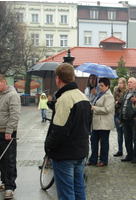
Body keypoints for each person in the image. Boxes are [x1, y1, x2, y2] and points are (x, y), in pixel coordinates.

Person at [45, 63, 92, 200]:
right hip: (80, 151)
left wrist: (48, 145)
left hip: (65, 153)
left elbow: (59, 130)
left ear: (58, 79)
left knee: (66, 193)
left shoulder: (64, 98)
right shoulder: (83, 97)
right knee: (79, 188)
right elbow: (87, 125)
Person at [0, 74, 21, 199]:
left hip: (6, 132)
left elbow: (14, 114)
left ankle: (10, 186)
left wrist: (9, 130)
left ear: (4, 82)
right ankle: (4, 181)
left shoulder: (12, 95)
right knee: (0, 159)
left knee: (9, 159)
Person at [87, 78, 115, 167]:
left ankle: (103, 160)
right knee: (93, 141)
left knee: (104, 142)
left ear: (107, 86)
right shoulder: (100, 94)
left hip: (104, 124)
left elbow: (107, 109)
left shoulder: (109, 96)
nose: (100, 87)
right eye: (100, 85)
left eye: (102, 86)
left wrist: (94, 108)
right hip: (97, 123)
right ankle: (93, 159)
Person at [119, 77, 136, 163]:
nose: (129, 83)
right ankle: (129, 155)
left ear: (135, 84)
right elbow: (123, 106)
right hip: (125, 119)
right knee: (127, 138)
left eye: (131, 82)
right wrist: (120, 118)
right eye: (128, 82)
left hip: (134, 119)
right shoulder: (126, 92)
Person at [113, 77, 127, 157]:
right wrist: (117, 102)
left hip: (124, 114)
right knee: (119, 133)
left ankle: (128, 150)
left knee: (126, 133)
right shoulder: (116, 91)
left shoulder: (126, 92)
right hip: (117, 113)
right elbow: (113, 100)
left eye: (121, 83)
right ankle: (120, 150)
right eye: (118, 83)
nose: (119, 85)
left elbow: (123, 101)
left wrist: (118, 102)